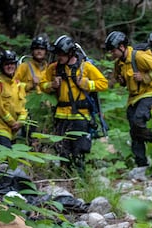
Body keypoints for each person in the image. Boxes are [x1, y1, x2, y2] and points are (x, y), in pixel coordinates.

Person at [105, 31, 152, 181]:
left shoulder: (138, 56)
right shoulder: (118, 64)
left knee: (139, 120)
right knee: (134, 130)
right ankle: (141, 164)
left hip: (149, 93)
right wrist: (120, 81)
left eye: (113, 50)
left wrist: (145, 77)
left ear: (121, 47)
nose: (112, 54)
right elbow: (118, 82)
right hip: (133, 98)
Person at [40, 35, 108, 172]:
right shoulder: (54, 68)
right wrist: (51, 85)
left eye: (62, 54)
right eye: (57, 54)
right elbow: (42, 84)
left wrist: (87, 84)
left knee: (79, 150)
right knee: (62, 150)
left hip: (80, 116)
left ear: (70, 52)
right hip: (61, 116)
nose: (59, 57)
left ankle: (80, 178)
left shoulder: (85, 67)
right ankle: (65, 177)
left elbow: (104, 83)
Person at [0, 50, 28, 148]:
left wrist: (20, 122)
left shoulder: (18, 84)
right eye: (6, 64)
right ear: (1, 66)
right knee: (4, 161)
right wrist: (13, 123)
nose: (10, 66)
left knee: (13, 160)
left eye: (12, 63)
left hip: (13, 131)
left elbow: (23, 107)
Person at [14, 35, 50, 145]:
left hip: (44, 107)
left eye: (42, 49)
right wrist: (30, 85)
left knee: (43, 135)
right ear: (32, 51)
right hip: (28, 105)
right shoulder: (25, 66)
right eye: (36, 49)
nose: (39, 51)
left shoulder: (48, 68)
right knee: (29, 134)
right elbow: (13, 84)